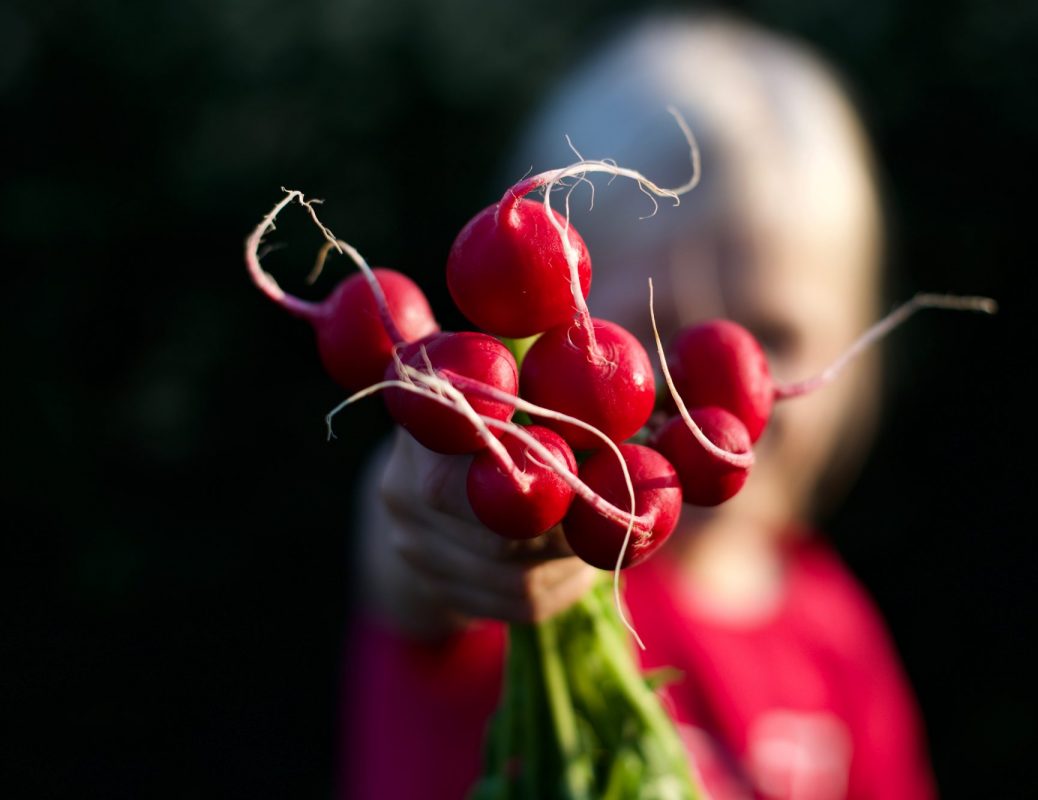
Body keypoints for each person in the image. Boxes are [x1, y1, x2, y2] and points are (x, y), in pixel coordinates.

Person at [342, 14, 936, 800]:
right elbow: (415, 542)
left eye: (777, 336)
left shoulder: (838, 637)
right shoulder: (531, 581)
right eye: (657, 330)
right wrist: (437, 504)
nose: (702, 393)